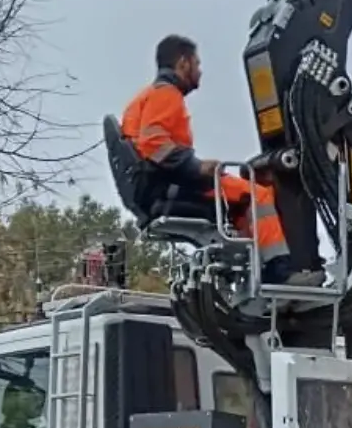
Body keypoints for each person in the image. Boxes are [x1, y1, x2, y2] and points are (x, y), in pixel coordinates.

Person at [122, 35, 322, 286]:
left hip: (156, 188)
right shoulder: (166, 95)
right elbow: (154, 144)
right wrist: (196, 166)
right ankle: (279, 273)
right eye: (197, 63)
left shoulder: (144, 98)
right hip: (171, 186)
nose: (200, 71)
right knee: (258, 195)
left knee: (238, 204)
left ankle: (258, 269)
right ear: (183, 63)